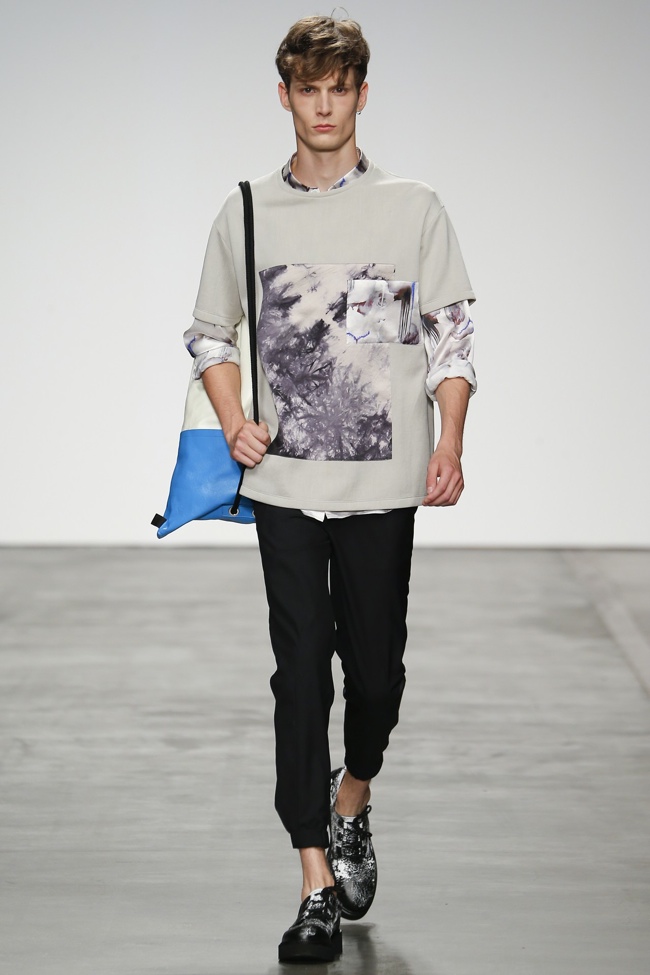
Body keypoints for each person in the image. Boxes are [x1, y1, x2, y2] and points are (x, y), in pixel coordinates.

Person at [183, 15, 477, 964]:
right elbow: (210, 334)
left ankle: (354, 795)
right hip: (284, 484)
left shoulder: (413, 207)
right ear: (284, 96)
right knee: (301, 672)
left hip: (384, 485)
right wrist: (235, 419)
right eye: (307, 88)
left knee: (378, 676)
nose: (322, 105)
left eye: (337, 87)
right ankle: (314, 879)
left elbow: (451, 337)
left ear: (360, 94)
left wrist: (451, 440)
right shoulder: (246, 211)